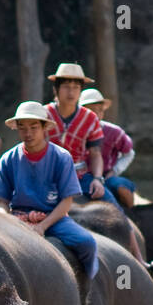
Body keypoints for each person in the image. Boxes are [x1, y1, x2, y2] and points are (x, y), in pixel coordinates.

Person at [0, 100, 98, 279]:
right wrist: (5, 220)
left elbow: (67, 201)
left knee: (87, 243)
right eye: (23, 127)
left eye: (34, 127)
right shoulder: (8, 159)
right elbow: (2, 201)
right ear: (16, 128)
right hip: (18, 218)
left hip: (54, 218)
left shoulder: (62, 157)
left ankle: (88, 287)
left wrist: (41, 227)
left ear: (44, 128)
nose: (28, 133)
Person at [42, 63, 113, 205]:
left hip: (79, 177)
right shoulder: (43, 114)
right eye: (66, 87)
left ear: (81, 91)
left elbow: (95, 153)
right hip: (46, 176)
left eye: (76, 87)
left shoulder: (90, 117)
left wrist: (98, 179)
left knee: (113, 207)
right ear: (56, 90)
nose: (71, 92)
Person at [80, 87, 136, 209]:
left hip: (107, 176)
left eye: (99, 110)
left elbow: (129, 153)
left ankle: (131, 213)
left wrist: (114, 171)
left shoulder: (114, 132)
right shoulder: (76, 132)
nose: (96, 114)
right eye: (91, 110)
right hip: (84, 177)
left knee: (118, 186)